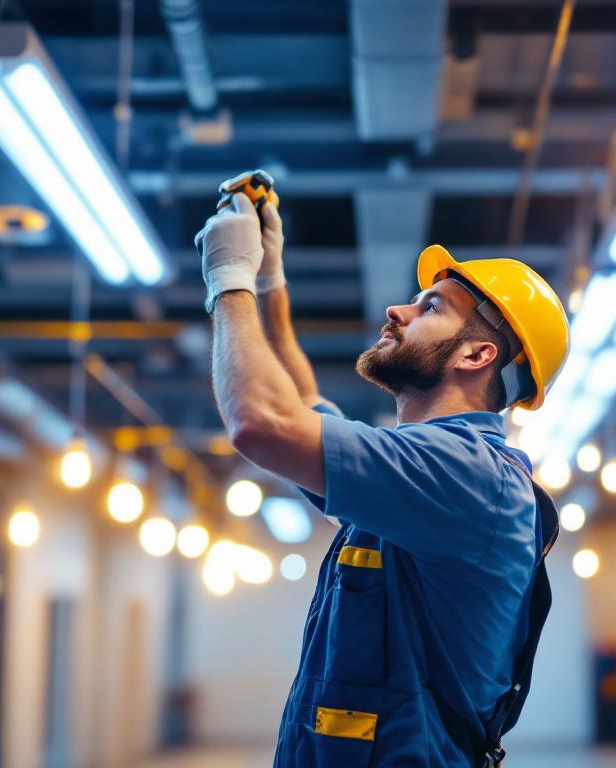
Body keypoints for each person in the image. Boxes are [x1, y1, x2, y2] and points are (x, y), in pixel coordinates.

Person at [194, 172, 571, 767]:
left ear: (477, 355)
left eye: (430, 308)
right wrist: (268, 279)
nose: (397, 310)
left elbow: (261, 422)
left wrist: (226, 280)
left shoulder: (466, 475)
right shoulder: (427, 471)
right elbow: (300, 400)